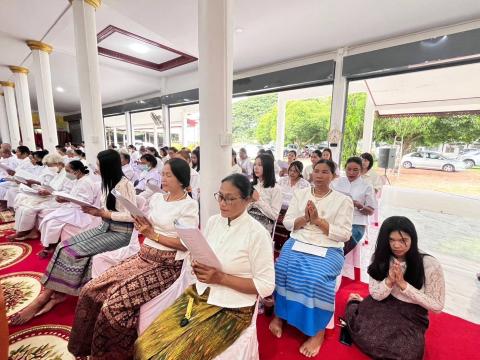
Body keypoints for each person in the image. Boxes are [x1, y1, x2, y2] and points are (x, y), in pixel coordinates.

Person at [68, 158, 199, 359]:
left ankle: (113, 355)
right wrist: (142, 223)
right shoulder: (157, 199)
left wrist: (152, 234)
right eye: (162, 173)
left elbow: (186, 244)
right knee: (90, 290)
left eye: (168, 175)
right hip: (144, 255)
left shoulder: (188, 206)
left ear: (181, 179)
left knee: (114, 307)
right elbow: (150, 224)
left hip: (166, 264)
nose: (162, 178)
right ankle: (84, 349)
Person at [134, 174, 275, 360]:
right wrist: (197, 262)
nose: (222, 203)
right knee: (145, 344)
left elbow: (266, 286)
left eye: (230, 199)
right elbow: (203, 252)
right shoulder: (214, 222)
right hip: (199, 294)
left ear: (248, 200)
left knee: (171, 356)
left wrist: (221, 278)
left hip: (232, 308)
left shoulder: (257, 234)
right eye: (220, 196)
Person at [10, 149, 136, 325]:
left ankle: (48, 297)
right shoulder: (106, 182)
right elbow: (103, 209)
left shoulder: (124, 185)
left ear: (108, 166)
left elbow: (132, 216)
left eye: (99, 164)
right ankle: (54, 293)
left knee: (74, 252)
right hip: (105, 227)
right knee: (63, 246)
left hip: (121, 232)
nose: (96, 167)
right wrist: (95, 210)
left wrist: (101, 212)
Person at [269, 159, 354, 357]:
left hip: (328, 247)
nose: (319, 175)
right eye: (316, 171)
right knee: (281, 271)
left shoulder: (343, 200)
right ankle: (280, 315)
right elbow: (289, 223)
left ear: (333, 176)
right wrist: (305, 219)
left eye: (325, 172)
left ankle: (318, 330)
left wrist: (318, 221)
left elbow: (344, 234)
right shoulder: (301, 194)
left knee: (315, 280)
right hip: (299, 241)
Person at [345, 216, 445, 360]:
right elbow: (376, 294)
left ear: (413, 239)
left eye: (403, 240)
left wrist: (404, 285)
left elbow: (437, 306)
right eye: (391, 240)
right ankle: (355, 302)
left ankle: (358, 302)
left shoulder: (429, 264)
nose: (397, 245)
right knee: (365, 336)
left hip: (412, 313)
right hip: (382, 303)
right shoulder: (380, 257)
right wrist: (390, 281)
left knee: (408, 354)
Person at [38, 161, 99, 258]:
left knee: (52, 222)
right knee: (48, 219)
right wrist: (64, 199)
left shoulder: (86, 182)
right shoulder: (77, 180)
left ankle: (50, 247)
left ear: (77, 171)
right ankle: (50, 245)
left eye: (68, 171)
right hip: (72, 207)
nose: (66, 173)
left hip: (81, 211)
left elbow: (87, 201)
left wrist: (68, 200)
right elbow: (74, 196)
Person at [9, 153, 71, 241]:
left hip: (58, 200)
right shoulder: (58, 172)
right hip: (51, 196)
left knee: (29, 208)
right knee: (23, 205)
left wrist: (49, 192)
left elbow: (67, 191)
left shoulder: (67, 174)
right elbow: (50, 185)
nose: (48, 167)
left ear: (58, 163)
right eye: (47, 165)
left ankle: (25, 231)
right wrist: (42, 189)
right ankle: (25, 231)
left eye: (50, 165)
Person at [331, 157, 376, 255]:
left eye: (355, 170)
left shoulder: (367, 186)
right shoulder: (337, 182)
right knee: (324, 236)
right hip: (336, 219)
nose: (351, 173)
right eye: (349, 169)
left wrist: (359, 206)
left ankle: (332, 260)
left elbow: (371, 211)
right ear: (345, 169)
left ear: (362, 170)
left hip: (356, 223)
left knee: (341, 243)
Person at [249, 154, 282, 234]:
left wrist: (258, 201)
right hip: (248, 220)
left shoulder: (275, 188)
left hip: (264, 224)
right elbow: (243, 210)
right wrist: (249, 203)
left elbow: (274, 216)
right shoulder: (251, 185)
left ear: (268, 167)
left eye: (260, 165)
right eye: (255, 164)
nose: (256, 167)